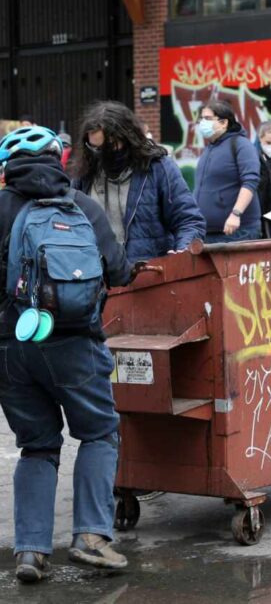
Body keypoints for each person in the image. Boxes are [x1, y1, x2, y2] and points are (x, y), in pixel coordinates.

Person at [0, 126, 136, 582]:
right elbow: (117, 271)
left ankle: (31, 553)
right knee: (99, 432)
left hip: (12, 349)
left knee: (37, 445)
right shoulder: (83, 208)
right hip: (76, 345)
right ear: (59, 160)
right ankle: (92, 538)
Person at [70, 101, 206, 263]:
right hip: (96, 277)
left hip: (149, 275)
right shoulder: (85, 173)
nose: (100, 154)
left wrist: (181, 255)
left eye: (108, 147)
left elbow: (188, 220)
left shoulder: (158, 168)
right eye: (94, 148)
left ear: (127, 139)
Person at [193, 101, 261, 243]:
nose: (202, 123)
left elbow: (250, 181)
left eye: (207, 118)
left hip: (236, 231)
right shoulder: (210, 148)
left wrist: (236, 214)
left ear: (224, 123)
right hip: (208, 233)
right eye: (201, 119)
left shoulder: (241, 145)